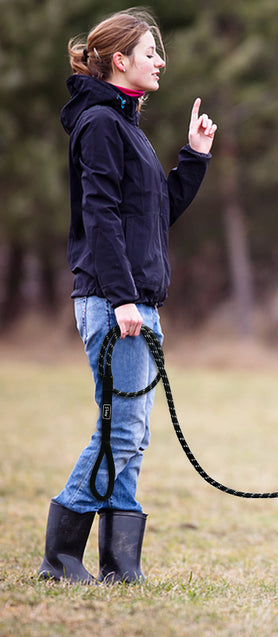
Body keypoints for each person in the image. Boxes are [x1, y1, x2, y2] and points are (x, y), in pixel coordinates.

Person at [38, 8, 216, 584]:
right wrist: (121, 301)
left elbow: (153, 214)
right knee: (119, 429)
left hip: (135, 303)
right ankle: (60, 557)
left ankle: (119, 564)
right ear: (121, 61)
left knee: (131, 433)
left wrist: (193, 156)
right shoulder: (100, 125)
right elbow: (101, 218)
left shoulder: (126, 124)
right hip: (117, 303)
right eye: (150, 53)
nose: (161, 61)